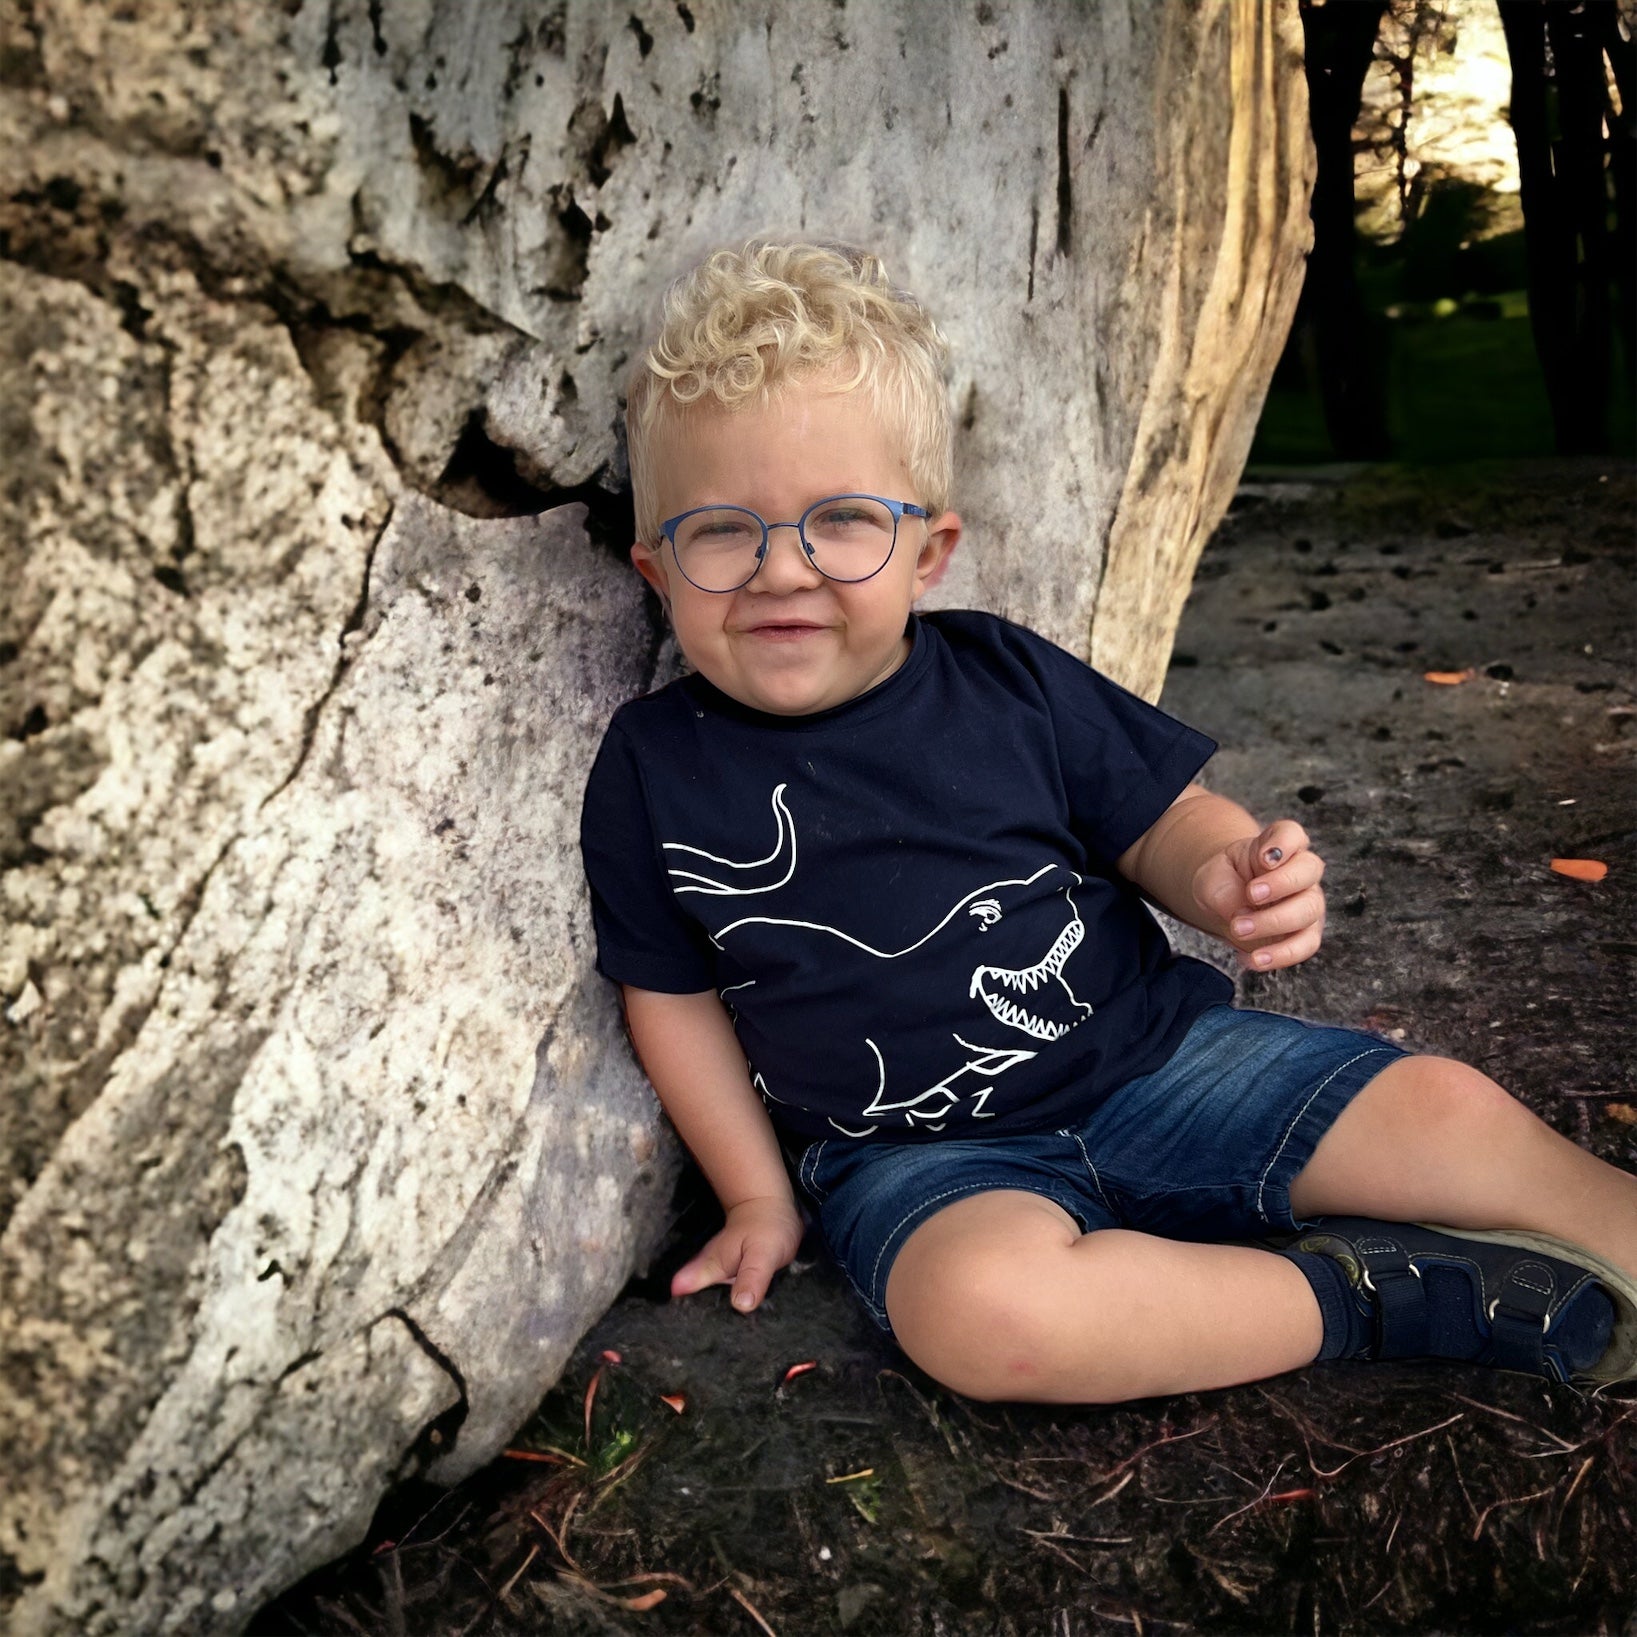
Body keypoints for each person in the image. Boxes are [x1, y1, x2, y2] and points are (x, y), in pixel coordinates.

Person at [579, 241, 1636, 1403]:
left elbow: (1157, 820)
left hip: (1161, 1062)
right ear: (653, 569)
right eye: (721, 531)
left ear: (929, 549)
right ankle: (1360, 1294)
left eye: (840, 520)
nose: (782, 569)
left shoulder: (1004, 679)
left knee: (1439, 1107)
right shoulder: (652, 763)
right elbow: (669, 997)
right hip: (926, 1161)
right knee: (987, 1316)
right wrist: (757, 1196)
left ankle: (1611, 1226)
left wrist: (1225, 871)